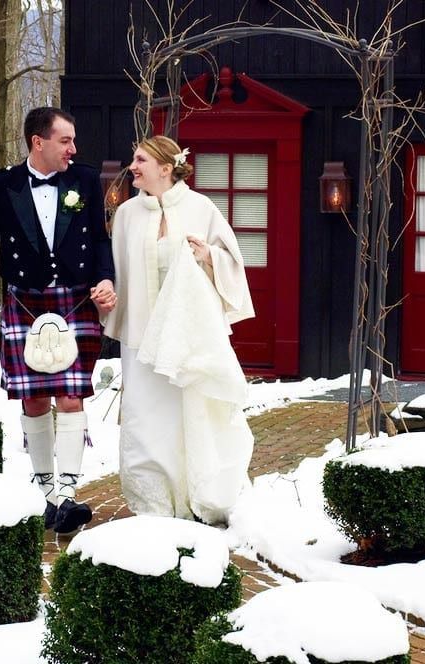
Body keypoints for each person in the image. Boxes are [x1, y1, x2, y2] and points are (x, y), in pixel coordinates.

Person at [0, 106, 117, 534]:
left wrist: (105, 277)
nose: (74, 148)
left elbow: (100, 239)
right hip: (24, 301)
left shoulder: (84, 180)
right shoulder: (0, 186)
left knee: (71, 398)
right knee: (34, 400)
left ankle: (66, 496)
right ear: (39, 142)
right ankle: (48, 496)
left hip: (74, 298)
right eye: (65, 140)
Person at [103, 135, 255, 524]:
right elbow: (117, 271)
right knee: (145, 416)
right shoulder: (126, 215)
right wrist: (108, 298)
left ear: (166, 168)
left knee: (190, 415)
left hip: (187, 338)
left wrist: (208, 257)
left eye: (140, 160)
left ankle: (194, 495)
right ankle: (152, 502)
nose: (132, 166)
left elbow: (232, 262)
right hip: (141, 337)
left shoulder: (201, 208)